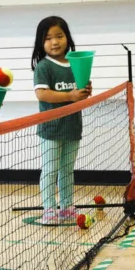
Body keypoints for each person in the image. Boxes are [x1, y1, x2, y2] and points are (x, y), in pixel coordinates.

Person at [30, 15, 91, 225]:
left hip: (72, 127)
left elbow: (79, 92)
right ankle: (49, 209)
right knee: (50, 170)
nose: (55, 42)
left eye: (59, 36)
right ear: (41, 42)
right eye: (48, 38)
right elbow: (43, 94)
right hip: (51, 129)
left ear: (67, 37)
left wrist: (84, 92)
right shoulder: (44, 67)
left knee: (67, 169)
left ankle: (66, 207)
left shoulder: (75, 63)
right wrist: (70, 96)